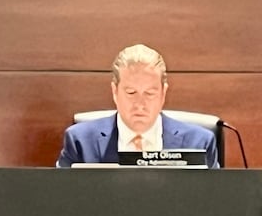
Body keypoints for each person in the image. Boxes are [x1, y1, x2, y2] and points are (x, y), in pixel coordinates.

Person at [56, 43, 219, 168]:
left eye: (149, 93)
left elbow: (213, 200)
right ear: (114, 91)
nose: (140, 104)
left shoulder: (199, 143)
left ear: (163, 93)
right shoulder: (80, 142)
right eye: (131, 92)